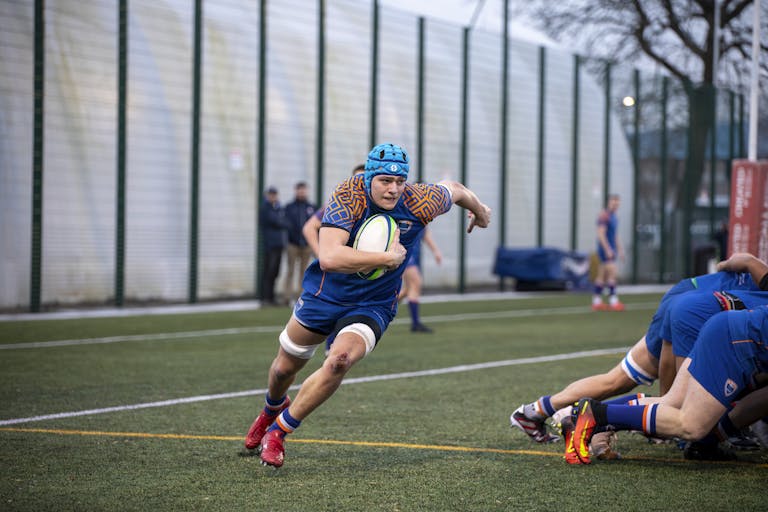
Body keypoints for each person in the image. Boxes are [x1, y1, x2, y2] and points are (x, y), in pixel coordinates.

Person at [244, 143, 491, 468]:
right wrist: (387, 257)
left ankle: (278, 431)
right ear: (370, 177)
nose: (393, 189)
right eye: (385, 181)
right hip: (325, 295)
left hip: (373, 303)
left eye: (400, 181)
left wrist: (481, 210)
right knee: (283, 370)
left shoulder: (419, 199)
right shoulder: (349, 196)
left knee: (339, 360)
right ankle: (271, 408)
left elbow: (455, 190)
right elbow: (330, 257)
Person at [510, 267, 760, 445]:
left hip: (689, 296)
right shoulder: (757, 270)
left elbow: (734, 264)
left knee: (617, 380)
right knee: (679, 407)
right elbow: (742, 261)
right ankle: (580, 416)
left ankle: (534, 412)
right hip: (695, 305)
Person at [569, 305, 768, 465]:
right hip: (735, 340)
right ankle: (594, 414)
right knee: (692, 425)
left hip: (724, 326)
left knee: (672, 403)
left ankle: (581, 417)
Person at [398, 228, 442, 333]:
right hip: (405, 254)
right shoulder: (401, 213)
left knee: (408, 289)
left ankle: (384, 306)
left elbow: (425, 234)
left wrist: (436, 251)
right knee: (416, 283)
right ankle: (416, 324)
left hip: (415, 254)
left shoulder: (423, 215)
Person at [283, 182, 317, 305]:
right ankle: (286, 297)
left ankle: (300, 297)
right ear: (295, 191)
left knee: (304, 271)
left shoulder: (311, 206)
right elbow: (286, 223)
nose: (302, 192)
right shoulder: (289, 207)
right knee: (290, 270)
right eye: (299, 190)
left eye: (304, 190)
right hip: (293, 244)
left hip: (307, 245)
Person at [592, 194, 624, 311]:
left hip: (611, 249)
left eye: (617, 203)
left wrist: (620, 249)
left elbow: (615, 235)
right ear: (609, 202)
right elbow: (601, 234)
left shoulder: (615, 217)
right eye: (613, 202)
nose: (615, 204)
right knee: (612, 273)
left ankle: (596, 301)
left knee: (602, 275)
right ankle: (613, 301)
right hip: (605, 249)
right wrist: (607, 249)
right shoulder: (604, 216)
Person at [259, 186, 287, 306]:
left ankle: (271, 297)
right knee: (269, 271)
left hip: (279, 244)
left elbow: (285, 221)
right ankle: (265, 298)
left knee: (275, 271)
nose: (273, 197)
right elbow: (277, 221)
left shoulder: (278, 207)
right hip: (270, 245)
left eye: (274, 194)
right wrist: (281, 220)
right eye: (271, 194)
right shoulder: (265, 208)